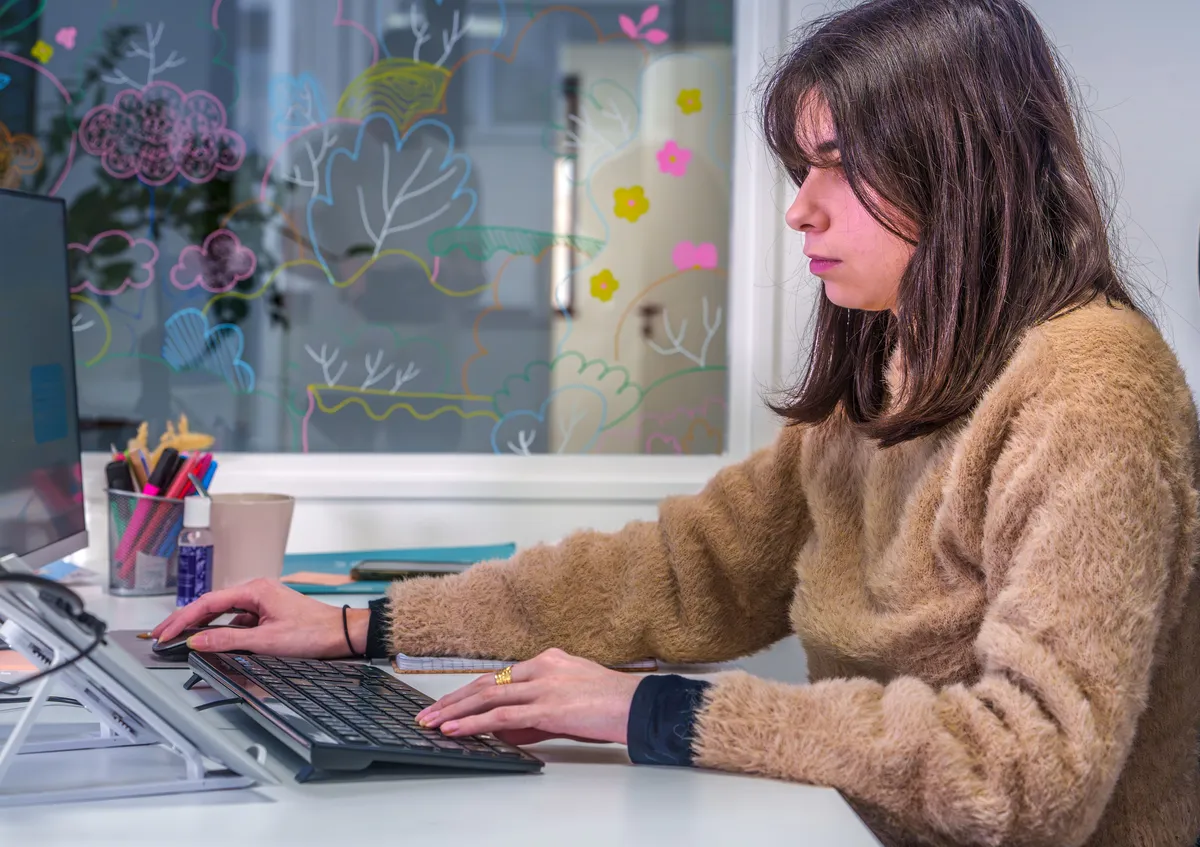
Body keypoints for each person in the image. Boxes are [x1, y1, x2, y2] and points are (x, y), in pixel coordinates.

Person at [153, 0, 1200, 843]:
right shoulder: (896, 360)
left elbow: (1025, 773)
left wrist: (657, 711)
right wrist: (362, 626)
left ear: (961, 169)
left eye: (840, 164)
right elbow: (687, 569)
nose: (801, 207)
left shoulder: (1091, 391)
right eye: (802, 168)